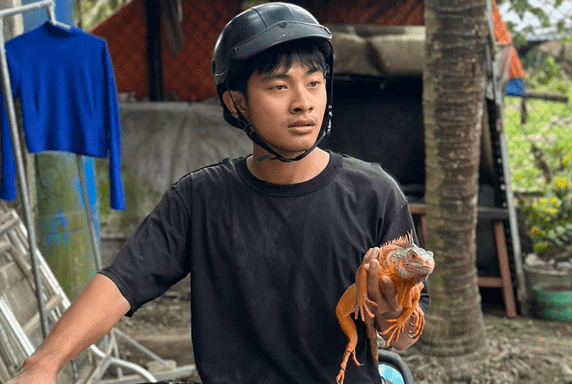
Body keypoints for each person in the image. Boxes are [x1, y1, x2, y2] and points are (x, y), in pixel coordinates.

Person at [9, 2, 429, 383]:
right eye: (279, 87)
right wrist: (44, 361)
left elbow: (407, 336)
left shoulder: (375, 194)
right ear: (237, 103)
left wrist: (397, 313)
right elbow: (121, 283)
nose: (303, 103)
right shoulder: (199, 198)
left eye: (315, 83)